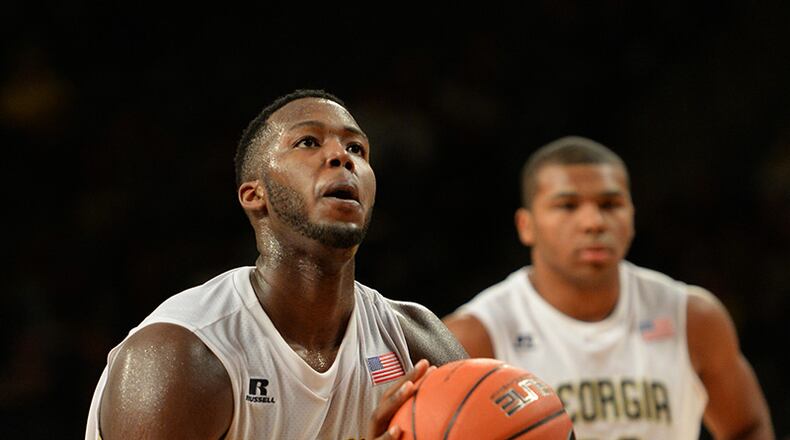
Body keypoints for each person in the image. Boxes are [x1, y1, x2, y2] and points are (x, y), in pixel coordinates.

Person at [85, 89, 467, 440]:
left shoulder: (414, 341)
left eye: (357, 148)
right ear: (255, 195)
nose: (341, 157)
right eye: (308, 142)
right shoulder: (183, 354)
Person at [443, 136, 774, 439]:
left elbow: (749, 427)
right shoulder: (477, 334)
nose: (594, 222)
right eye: (567, 206)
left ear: (631, 215)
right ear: (526, 226)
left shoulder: (693, 318)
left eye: (610, 204)